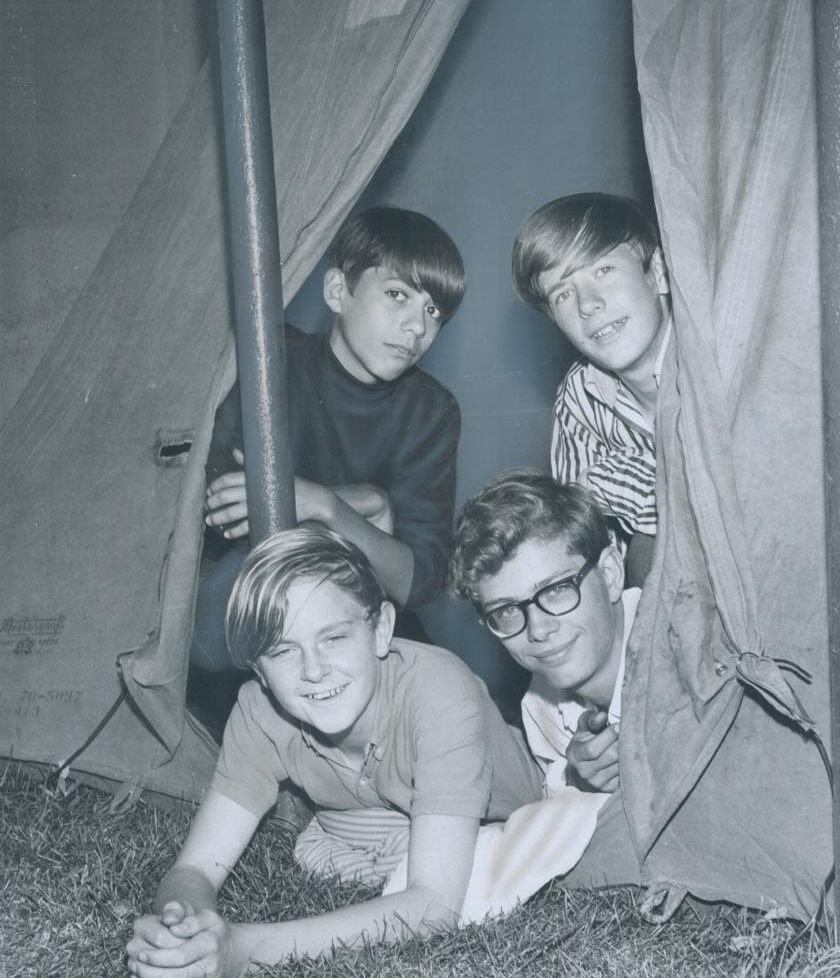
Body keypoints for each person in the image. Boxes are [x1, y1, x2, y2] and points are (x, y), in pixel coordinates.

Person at [126, 525, 542, 978]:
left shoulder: (440, 692)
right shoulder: (260, 710)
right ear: (259, 671)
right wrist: (183, 930)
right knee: (339, 837)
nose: (313, 670)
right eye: (283, 651)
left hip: (511, 806)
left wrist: (243, 949)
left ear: (381, 629)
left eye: (334, 638)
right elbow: (194, 870)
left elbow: (434, 906)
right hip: (382, 807)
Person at [191, 205, 466, 682]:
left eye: (433, 311)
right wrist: (369, 507)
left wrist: (324, 505)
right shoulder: (268, 356)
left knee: (439, 683)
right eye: (398, 295)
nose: (417, 328)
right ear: (338, 291)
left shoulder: (431, 410)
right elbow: (227, 510)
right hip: (249, 602)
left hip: (356, 607)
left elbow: (417, 580)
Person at [447, 468, 641, 801]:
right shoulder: (541, 709)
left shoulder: (682, 641)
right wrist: (581, 784)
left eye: (555, 590)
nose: (538, 629)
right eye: (506, 611)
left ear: (610, 574)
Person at [511, 193, 670, 585]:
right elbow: (588, 554)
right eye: (563, 294)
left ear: (659, 273)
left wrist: (649, 495)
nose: (588, 304)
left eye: (603, 270)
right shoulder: (579, 400)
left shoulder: (722, 360)